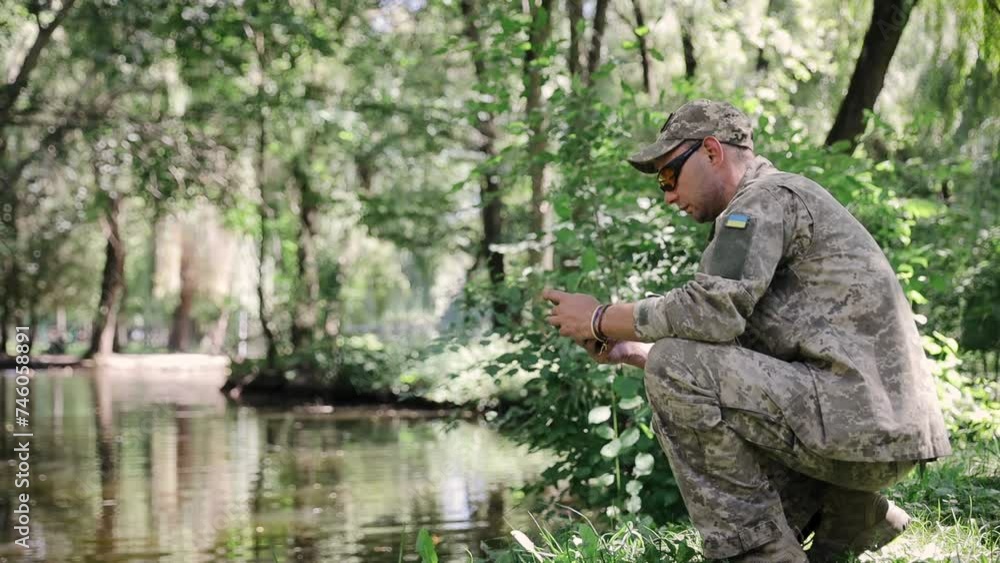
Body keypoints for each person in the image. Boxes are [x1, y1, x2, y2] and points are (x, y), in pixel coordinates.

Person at [541, 99, 951, 563]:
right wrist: (633, 350)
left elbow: (708, 312)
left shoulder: (762, 201)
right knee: (678, 366)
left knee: (676, 368)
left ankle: (762, 554)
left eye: (668, 176)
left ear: (712, 151)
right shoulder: (777, 201)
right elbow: (733, 357)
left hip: (859, 424)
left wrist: (599, 317)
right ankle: (850, 516)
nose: (667, 196)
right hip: (877, 429)